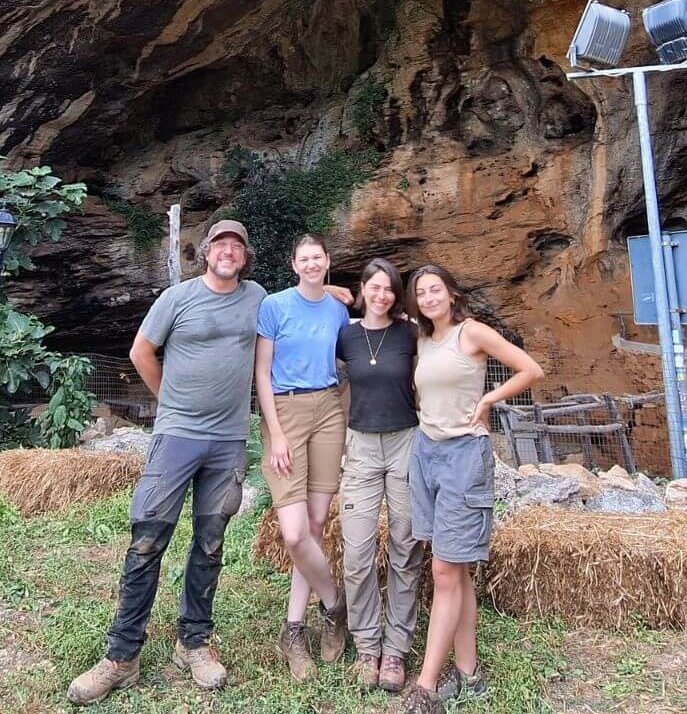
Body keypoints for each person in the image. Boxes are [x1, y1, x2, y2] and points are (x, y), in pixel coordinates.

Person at [67, 220, 265, 705]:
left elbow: (302, 309)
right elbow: (141, 351)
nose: (228, 251)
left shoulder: (258, 297)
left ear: (245, 257)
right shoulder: (177, 298)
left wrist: (339, 295)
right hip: (176, 437)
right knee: (147, 538)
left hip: (227, 442)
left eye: (237, 246)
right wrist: (170, 400)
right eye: (221, 243)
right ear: (206, 254)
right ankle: (122, 655)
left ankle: (193, 642)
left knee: (211, 542)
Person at [403, 265, 544, 714]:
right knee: (454, 571)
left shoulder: (472, 333)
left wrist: (488, 400)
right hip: (427, 453)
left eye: (434, 290)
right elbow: (366, 306)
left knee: (445, 572)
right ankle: (469, 674)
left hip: (464, 456)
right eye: (420, 293)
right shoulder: (423, 339)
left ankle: (425, 689)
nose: (428, 298)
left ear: (450, 293)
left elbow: (530, 369)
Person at [254, 233, 351, 680]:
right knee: (294, 533)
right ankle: (334, 603)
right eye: (304, 259)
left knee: (314, 527)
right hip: (286, 411)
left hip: (329, 410)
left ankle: (293, 630)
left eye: (318, 258)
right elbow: (261, 371)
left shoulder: (338, 309)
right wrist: (275, 433)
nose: (312, 264)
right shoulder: (274, 306)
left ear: (327, 262)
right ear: (293, 264)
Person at [336, 257, 424, 692]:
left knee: (406, 545)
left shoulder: (410, 332)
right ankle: (367, 643)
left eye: (389, 288)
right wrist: (336, 296)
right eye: (375, 286)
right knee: (356, 552)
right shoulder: (347, 335)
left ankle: (395, 649)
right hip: (362, 446)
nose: (382, 294)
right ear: (363, 289)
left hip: (407, 441)